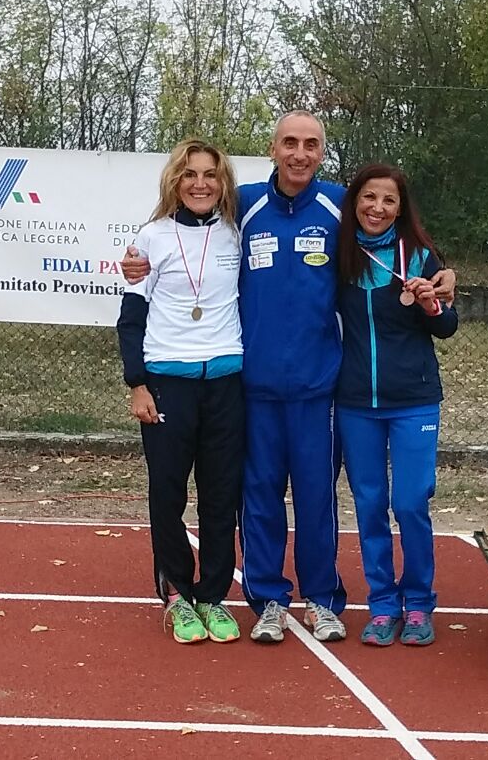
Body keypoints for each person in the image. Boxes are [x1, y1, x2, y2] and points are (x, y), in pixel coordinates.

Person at [121, 111, 457, 644]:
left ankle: (322, 598)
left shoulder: (340, 206)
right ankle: (269, 600)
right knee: (258, 498)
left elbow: (393, 235)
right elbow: (183, 224)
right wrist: (135, 260)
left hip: (319, 389)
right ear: (273, 149)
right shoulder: (243, 205)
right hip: (251, 387)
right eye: (290, 143)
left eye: (311, 145)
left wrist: (445, 272)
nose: (300, 154)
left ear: (322, 152)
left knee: (317, 499)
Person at [115, 140, 247, 644]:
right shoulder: (151, 237)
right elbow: (131, 318)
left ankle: (212, 595)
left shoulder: (236, 232)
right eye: (190, 174)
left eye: (210, 174)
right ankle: (176, 593)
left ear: (223, 182)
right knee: (168, 492)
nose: (200, 183)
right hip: (167, 384)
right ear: (175, 181)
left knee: (220, 495)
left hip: (226, 384)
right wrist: (137, 384)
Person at [333, 165, 457, 647]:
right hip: (355, 402)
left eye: (388, 200)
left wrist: (430, 303)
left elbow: (446, 326)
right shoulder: (338, 253)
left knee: (409, 503)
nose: (377, 208)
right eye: (369, 197)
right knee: (369, 506)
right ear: (355, 202)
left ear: (401, 207)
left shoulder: (420, 255)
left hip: (413, 401)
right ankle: (383, 605)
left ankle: (419, 602)